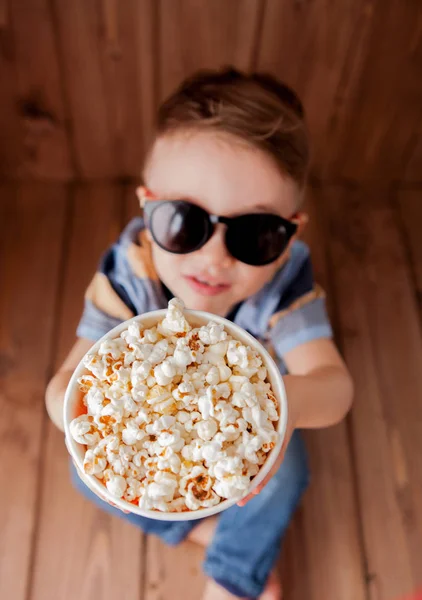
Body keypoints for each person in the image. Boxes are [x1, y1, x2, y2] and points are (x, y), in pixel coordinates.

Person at [46, 67, 353, 600]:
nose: (213, 258)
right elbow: (65, 382)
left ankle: (232, 574)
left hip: (245, 431)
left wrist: (293, 404)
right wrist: (89, 427)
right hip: (149, 439)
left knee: (286, 476)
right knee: (81, 477)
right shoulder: (129, 274)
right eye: (184, 222)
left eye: (256, 233)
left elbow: (336, 386)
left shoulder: (284, 284)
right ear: (147, 208)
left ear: (291, 231)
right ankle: (224, 535)